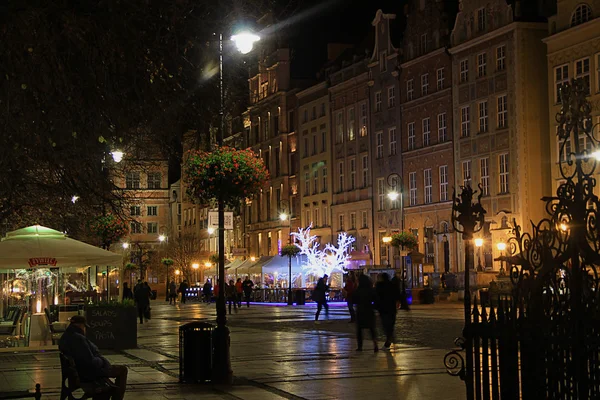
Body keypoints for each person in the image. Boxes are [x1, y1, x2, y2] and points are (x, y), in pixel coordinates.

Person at [59, 315, 128, 400]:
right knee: (123, 370)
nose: (85, 329)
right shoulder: (79, 339)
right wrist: (102, 361)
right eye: (84, 326)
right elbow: (90, 362)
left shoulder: (66, 336)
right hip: (88, 373)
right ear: (81, 325)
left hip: (80, 371)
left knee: (109, 381)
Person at [353, 274, 378, 352]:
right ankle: (375, 344)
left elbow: (354, 299)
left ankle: (360, 346)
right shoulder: (370, 289)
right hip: (369, 310)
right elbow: (375, 299)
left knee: (359, 329)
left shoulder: (358, 289)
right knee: (371, 329)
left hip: (360, 311)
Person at [375, 273, 398, 348]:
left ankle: (389, 337)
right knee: (391, 324)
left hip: (383, 309)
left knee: (385, 324)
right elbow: (398, 295)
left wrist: (375, 305)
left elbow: (375, 296)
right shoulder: (392, 285)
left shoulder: (379, 286)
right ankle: (390, 336)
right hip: (392, 308)